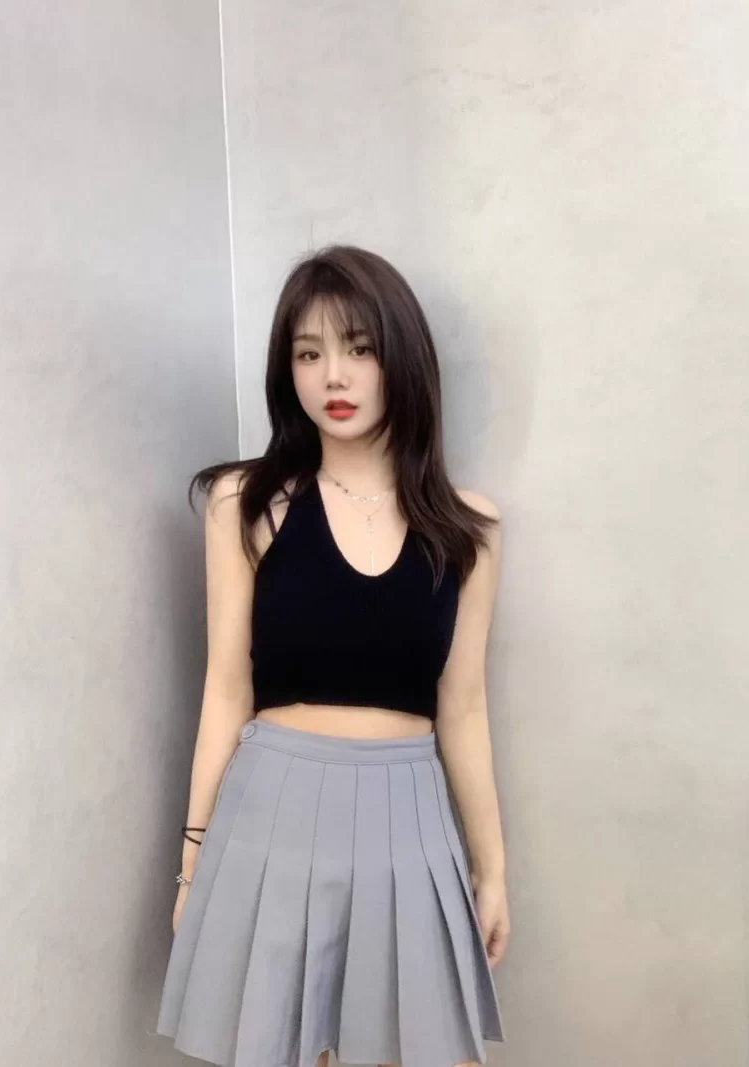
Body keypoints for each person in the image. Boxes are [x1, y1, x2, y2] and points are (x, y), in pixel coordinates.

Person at [153, 245, 509, 1067]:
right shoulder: (246, 503)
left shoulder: (469, 529)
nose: (333, 376)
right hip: (273, 811)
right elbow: (225, 690)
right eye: (308, 354)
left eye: (358, 347)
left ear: (400, 358)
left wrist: (492, 869)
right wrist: (191, 861)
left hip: (410, 821)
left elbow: (463, 707)